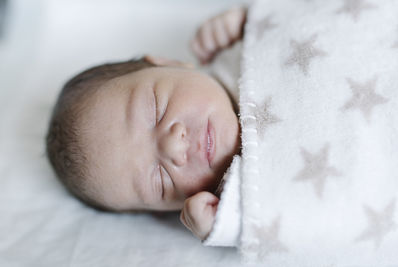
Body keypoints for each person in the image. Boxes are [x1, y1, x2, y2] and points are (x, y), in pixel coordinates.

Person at [46, 6, 247, 242]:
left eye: (156, 109)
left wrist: (246, 21)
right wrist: (227, 227)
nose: (174, 147)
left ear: (168, 63)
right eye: (161, 182)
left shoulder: (236, 49)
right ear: (170, 211)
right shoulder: (243, 199)